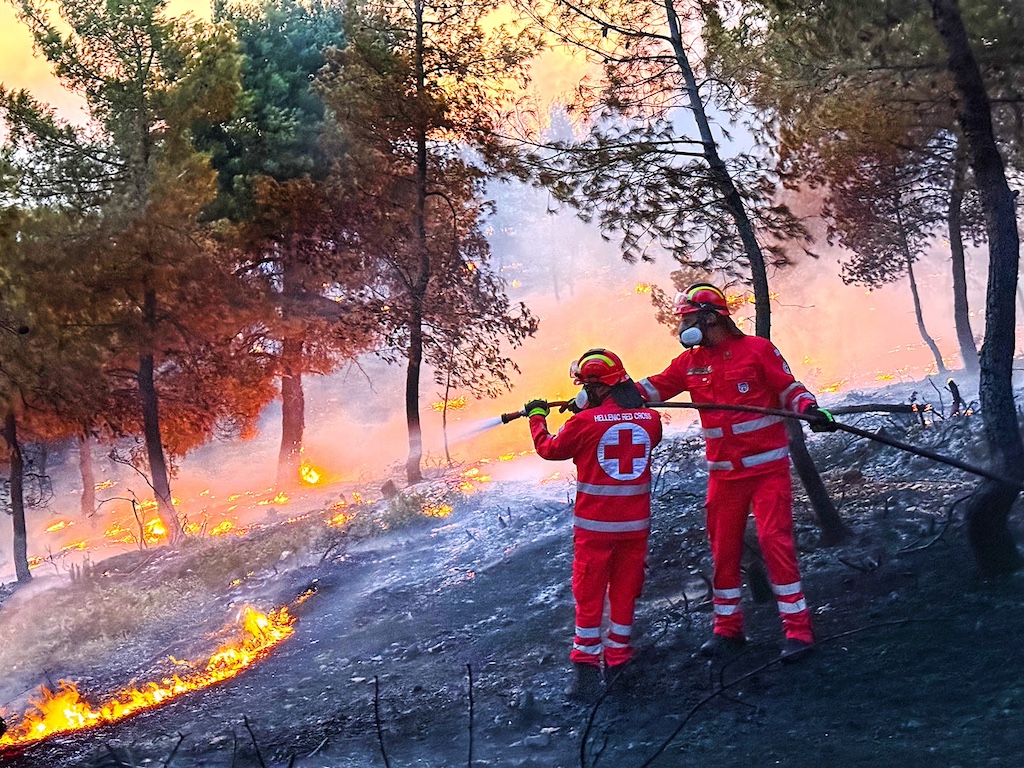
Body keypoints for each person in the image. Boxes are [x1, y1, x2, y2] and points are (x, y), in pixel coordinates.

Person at [636, 283, 836, 663]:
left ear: (710, 317)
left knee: (774, 541)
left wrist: (811, 409)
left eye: (688, 318)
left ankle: (799, 631)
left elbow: (788, 388)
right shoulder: (689, 363)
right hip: (723, 476)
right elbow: (652, 388)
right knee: (723, 550)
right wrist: (605, 395)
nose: (683, 327)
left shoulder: (757, 351)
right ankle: (727, 630)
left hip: (766, 471)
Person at [524, 349, 663, 701]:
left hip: (596, 529)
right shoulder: (651, 421)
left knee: (589, 596)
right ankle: (619, 661)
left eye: (585, 385)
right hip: (634, 527)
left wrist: (537, 418)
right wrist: (599, 410)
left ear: (597, 388)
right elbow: (627, 424)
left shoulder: (581, 424)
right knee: (624, 592)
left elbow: (550, 449)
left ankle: (585, 667)